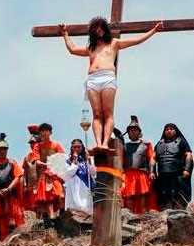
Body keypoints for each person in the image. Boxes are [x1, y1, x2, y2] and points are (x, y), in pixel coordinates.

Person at [59, 18, 163, 151]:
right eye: (96, 28)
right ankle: (98, 143)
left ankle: (105, 143)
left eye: (101, 27)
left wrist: (153, 31)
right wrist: (65, 34)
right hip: (92, 79)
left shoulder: (113, 43)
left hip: (107, 77)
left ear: (105, 29)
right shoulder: (91, 48)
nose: (99, 30)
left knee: (108, 113)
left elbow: (136, 40)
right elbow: (72, 50)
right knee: (96, 114)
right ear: (93, 32)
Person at [0, 134, 24, 241]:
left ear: (7, 150)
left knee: (12, 216)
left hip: (10, 194)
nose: (2, 151)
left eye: (4, 149)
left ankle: (12, 241)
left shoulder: (12, 163)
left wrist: (9, 189)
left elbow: (18, 176)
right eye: (0, 149)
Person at [120, 115, 156, 213]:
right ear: (128, 133)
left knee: (143, 197)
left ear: (139, 132)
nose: (133, 132)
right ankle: (130, 218)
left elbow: (151, 159)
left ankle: (144, 219)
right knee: (129, 197)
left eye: (135, 130)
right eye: (131, 130)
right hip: (128, 175)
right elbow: (122, 162)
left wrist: (152, 172)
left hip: (142, 174)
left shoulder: (146, 144)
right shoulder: (125, 146)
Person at [29, 123, 65, 221]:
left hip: (55, 175)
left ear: (50, 132)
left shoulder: (56, 145)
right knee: (45, 201)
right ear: (40, 133)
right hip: (43, 176)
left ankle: (62, 218)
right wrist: (49, 165)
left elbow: (62, 159)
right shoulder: (37, 146)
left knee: (61, 196)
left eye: (46, 131)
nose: (44, 133)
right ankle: (48, 224)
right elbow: (37, 162)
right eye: (42, 131)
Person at [153, 123, 193, 209]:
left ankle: (179, 212)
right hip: (163, 175)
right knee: (164, 195)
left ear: (176, 131)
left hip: (177, 174)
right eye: (167, 129)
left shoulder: (181, 142)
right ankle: (165, 212)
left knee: (177, 194)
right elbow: (153, 158)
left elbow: (188, 155)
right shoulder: (159, 144)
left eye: (171, 129)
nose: (169, 131)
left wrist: (187, 169)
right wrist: (152, 172)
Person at [63, 139, 96, 214]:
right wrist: (74, 161)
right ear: (71, 148)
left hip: (85, 187)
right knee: (74, 207)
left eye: (79, 147)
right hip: (73, 187)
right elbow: (69, 173)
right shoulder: (68, 160)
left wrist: (89, 162)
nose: (77, 149)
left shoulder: (87, 159)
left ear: (82, 147)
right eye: (74, 147)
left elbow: (93, 173)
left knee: (86, 207)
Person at [21, 125, 42, 211]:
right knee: (33, 207)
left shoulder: (44, 154)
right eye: (31, 143)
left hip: (42, 184)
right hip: (31, 186)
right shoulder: (27, 157)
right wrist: (25, 186)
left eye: (34, 143)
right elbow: (25, 173)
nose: (32, 145)